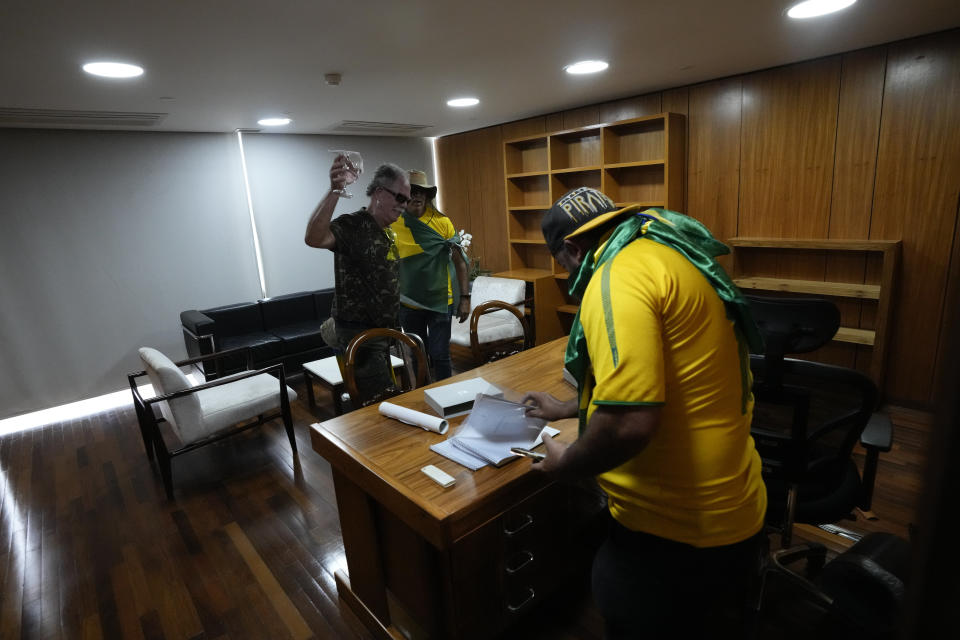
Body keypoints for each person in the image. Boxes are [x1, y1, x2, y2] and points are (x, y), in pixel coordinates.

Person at [522, 187, 768, 638]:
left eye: (560, 262)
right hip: (734, 505)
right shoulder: (669, 251)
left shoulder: (615, 278)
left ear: (573, 248)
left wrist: (566, 466)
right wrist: (565, 408)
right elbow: (668, 376)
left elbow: (627, 425)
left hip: (676, 533)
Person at [304, 156, 411, 400]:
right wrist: (335, 190)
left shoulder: (387, 231)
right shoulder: (354, 225)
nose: (405, 205)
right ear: (381, 194)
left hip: (382, 334)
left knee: (380, 402)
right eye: (400, 198)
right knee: (380, 404)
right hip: (361, 336)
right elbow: (314, 238)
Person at [390, 170, 470, 380]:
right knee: (418, 355)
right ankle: (423, 397)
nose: (417, 196)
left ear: (427, 196)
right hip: (409, 303)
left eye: (422, 192)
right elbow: (389, 265)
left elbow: (460, 262)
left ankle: (446, 394)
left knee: (440, 355)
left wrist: (465, 298)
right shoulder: (395, 223)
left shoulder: (442, 222)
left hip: (440, 300)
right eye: (412, 191)